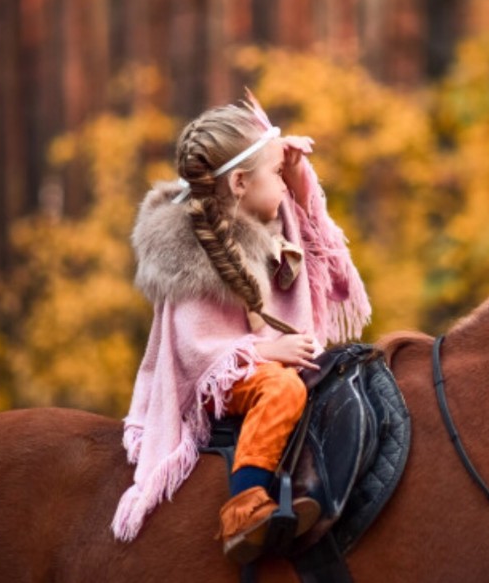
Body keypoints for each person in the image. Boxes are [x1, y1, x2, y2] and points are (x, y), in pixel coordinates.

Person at [111, 90, 371, 564]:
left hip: (255, 358)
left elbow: (319, 248)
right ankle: (244, 507)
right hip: (223, 378)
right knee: (283, 392)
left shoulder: (261, 223)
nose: (285, 187)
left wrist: (291, 171)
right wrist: (270, 353)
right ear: (238, 184)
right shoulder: (192, 254)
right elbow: (197, 353)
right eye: (275, 175)